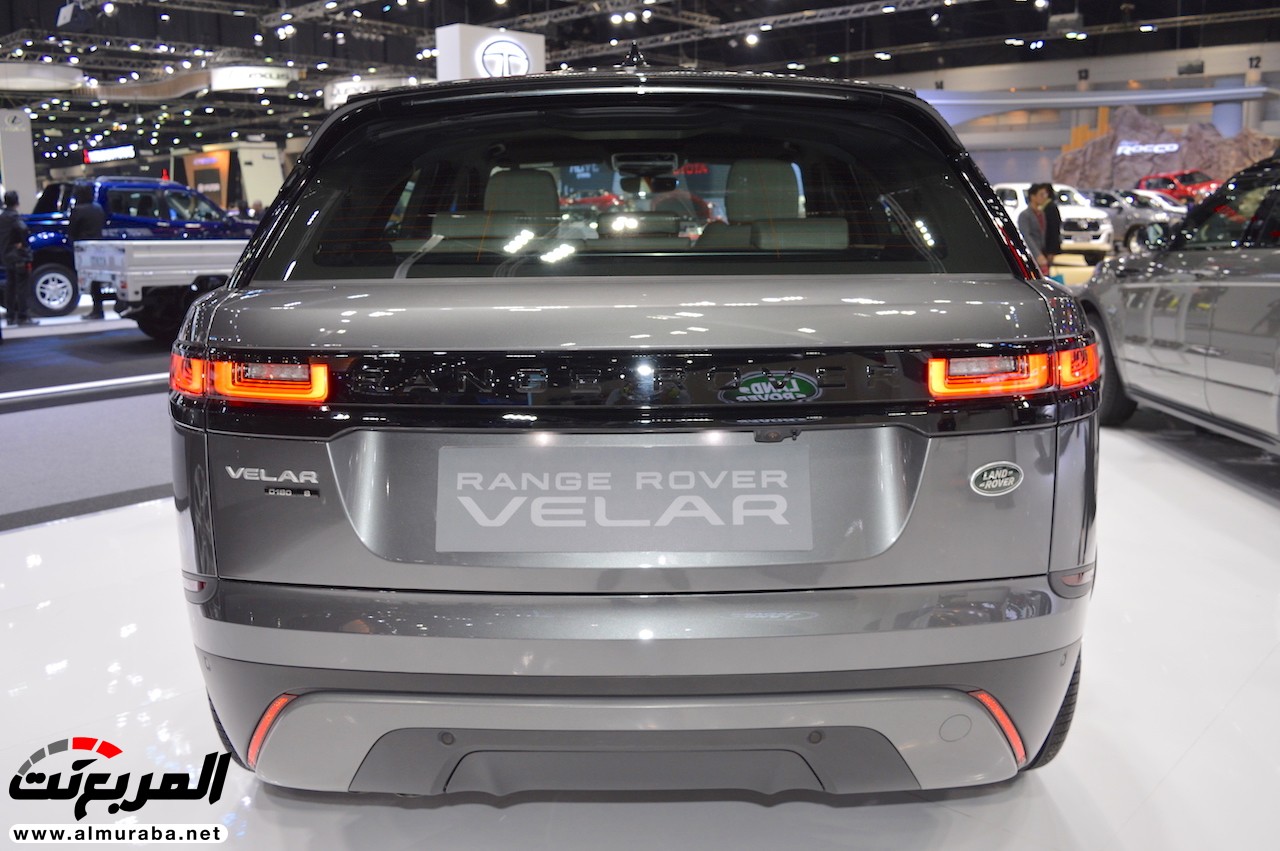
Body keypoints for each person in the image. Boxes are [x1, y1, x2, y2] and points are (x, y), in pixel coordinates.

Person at [68, 184, 107, 319]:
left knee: (90, 279)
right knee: (97, 279)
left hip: (84, 248)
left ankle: (97, 310)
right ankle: (99, 308)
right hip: (98, 247)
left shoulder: (77, 210)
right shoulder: (98, 208)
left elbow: (72, 231)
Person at [1, 190, 34, 327]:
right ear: (17, 202)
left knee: (10, 287)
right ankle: (23, 316)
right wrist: (22, 243)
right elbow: (23, 230)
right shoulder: (15, 218)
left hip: (6, 256)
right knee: (22, 287)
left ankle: (10, 316)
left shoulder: (2, 217)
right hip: (18, 256)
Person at [1016, 182, 1054, 276]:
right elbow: (1026, 236)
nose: (1044, 197)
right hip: (1032, 254)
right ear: (1033, 196)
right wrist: (1037, 254)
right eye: (1041, 194)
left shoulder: (1041, 213)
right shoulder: (1024, 215)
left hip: (1043, 252)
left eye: (1045, 194)